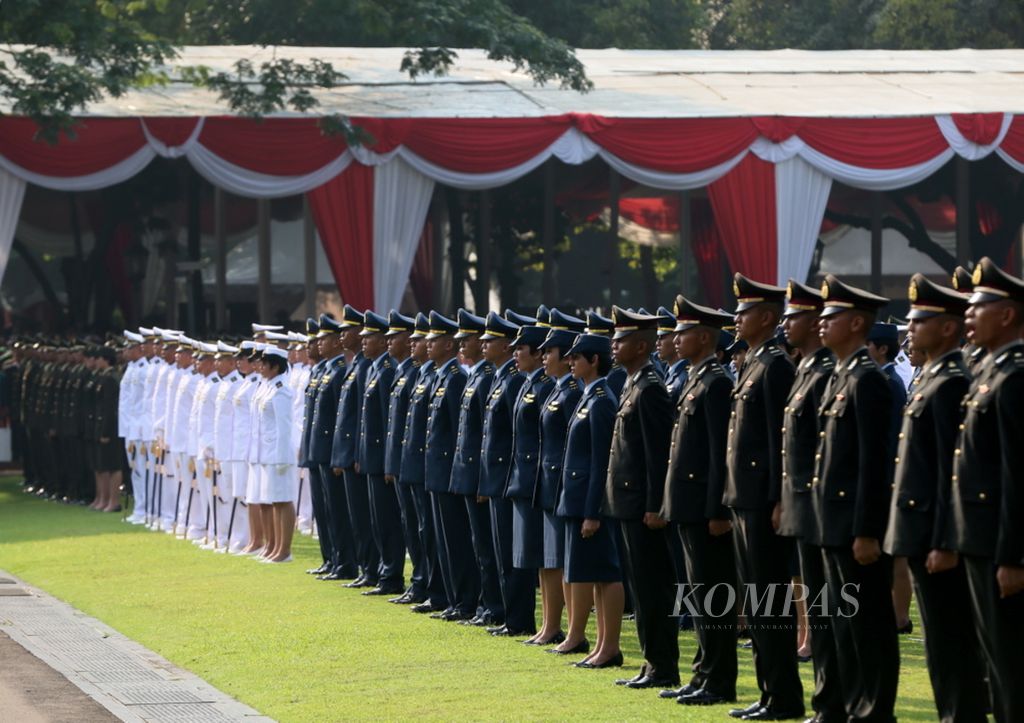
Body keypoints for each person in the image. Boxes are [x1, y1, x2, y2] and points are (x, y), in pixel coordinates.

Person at [883, 273, 988, 723]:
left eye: (919, 321)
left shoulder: (951, 383)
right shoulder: (934, 377)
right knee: (941, 646)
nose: (909, 330)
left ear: (948, 327)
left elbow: (955, 471)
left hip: (940, 535)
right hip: (922, 530)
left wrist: (944, 540)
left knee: (954, 642)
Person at [812, 274, 898, 723]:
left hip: (855, 527)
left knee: (867, 625)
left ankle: (873, 711)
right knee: (841, 625)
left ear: (859, 323)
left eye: (833, 317)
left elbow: (873, 465)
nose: (822, 324)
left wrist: (867, 529)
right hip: (832, 523)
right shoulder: (839, 376)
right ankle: (850, 707)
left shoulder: (868, 382)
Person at [723, 273, 803, 722]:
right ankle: (768, 692)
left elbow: (779, 440)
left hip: (762, 501)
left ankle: (784, 695)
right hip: (743, 498)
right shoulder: (752, 362)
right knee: (755, 601)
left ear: (767, 317)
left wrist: (777, 498)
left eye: (744, 311)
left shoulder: (774, 366)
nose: (736, 318)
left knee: (769, 600)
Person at [949, 258, 1024, 723]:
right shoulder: (990, 372)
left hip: (1000, 546)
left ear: (1008, 315)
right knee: (995, 662)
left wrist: (1014, 556)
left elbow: (1017, 475)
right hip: (977, 539)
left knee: (1012, 664)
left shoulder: (1015, 378)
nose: (968, 317)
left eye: (978, 308)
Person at [659, 296, 738, 706]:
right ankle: (703, 672)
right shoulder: (695, 377)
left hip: (704, 510)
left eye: (683, 332)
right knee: (698, 595)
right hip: (686, 505)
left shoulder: (717, 381)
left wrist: (717, 510)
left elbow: (718, 454)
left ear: (704, 336)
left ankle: (718, 680)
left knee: (713, 596)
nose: (675, 338)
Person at [775, 279, 844, 722]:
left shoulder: (822, 373)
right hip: (804, 507)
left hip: (822, 509)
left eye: (794, 316)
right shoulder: (805, 369)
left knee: (831, 614)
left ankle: (832, 703)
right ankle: (824, 703)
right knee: (818, 613)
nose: (786, 324)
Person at [605, 306, 679, 690]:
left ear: (644, 345)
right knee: (642, 586)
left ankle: (663, 665)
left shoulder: (650, 388)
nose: (613, 345)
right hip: (628, 503)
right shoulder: (631, 382)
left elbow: (657, 452)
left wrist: (655, 504)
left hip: (643, 506)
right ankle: (652, 663)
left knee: (653, 587)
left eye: (622, 340)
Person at [557, 333, 624, 669]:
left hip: (591, 503)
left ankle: (610, 646)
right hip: (579, 498)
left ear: (594, 360)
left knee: (606, 573)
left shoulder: (601, 400)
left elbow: (601, 461)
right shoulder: (589, 396)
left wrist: (593, 511)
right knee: (594, 574)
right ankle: (600, 645)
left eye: (576, 357)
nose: (570, 362)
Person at [531, 310, 584, 647]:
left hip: (563, 485)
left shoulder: (573, 393)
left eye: (550, 352)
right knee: (548, 559)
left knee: (566, 562)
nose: (544, 357)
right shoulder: (555, 389)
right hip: (548, 484)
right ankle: (550, 625)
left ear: (567, 359)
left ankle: (570, 630)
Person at [477, 312, 529, 636]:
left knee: (511, 556)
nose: (483, 345)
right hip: (494, 477)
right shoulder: (499, 377)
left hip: (506, 477)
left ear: (506, 345)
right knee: (497, 553)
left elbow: (513, 437)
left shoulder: (512, 381)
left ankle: (518, 618)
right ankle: (507, 615)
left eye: (490, 340)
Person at [423, 311, 477, 622]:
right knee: (441, 538)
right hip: (436, 469)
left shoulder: (456, 378)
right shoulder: (441, 376)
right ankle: (451, 598)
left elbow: (459, 430)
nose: (429, 346)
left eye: (435, 342)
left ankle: (465, 599)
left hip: (448, 469)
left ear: (447, 345)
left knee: (455, 539)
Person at [450, 309, 502, 627]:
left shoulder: (486, 378)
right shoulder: (477, 376)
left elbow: (486, 435)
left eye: (483, 340)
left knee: (486, 547)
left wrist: (482, 478)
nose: (478, 346)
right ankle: (484, 603)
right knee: (477, 544)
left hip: (480, 474)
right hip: (469, 472)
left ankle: (492, 605)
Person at [404, 313, 450, 615]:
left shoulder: (451, 377)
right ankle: (428, 588)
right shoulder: (424, 374)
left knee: (436, 535)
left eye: (429, 340)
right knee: (421, 530)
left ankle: (440, 593)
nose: (419, 344)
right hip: (419, 465)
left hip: (436, 468)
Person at [357, 311, 405, 596]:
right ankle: (378, 572)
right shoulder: (375, 367)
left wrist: (388, 459)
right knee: (376, 519)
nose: (366, 343)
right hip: (372, 456)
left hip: (382, 456)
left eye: (370, 337)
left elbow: (390, 421)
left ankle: (391, 575)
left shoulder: (387, 369)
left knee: (388, 521)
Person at [331, 305, 378, 588]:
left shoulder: (363, 367)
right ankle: (364, 568)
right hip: (350, 452)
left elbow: (363, 418)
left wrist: (356, 453)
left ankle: (371, 569)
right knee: (355, 516)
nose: (352, 337)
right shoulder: (355, 365)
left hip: (357, 454)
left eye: (349, 331)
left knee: (363, 516)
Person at [383, 311, 427, 605]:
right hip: (403, 460)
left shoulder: (415, 372)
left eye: (416, 339)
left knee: (422, 528)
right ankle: (418, 582)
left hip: (420, 463)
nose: (411, 343)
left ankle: (424, 583)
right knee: (410, 525)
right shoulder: (405, 371)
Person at [254, 346, 296, 562]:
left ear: (276, 366)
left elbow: (284, 427)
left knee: (283, 500)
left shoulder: (282, 390)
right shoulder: (267, 387)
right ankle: (275, 547)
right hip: (267, 452)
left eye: (264, 363)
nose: (260, 367)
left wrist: (281, 457)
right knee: (274, 501)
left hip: (278, 453)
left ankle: (284, 550)